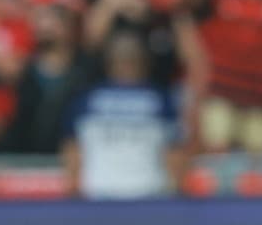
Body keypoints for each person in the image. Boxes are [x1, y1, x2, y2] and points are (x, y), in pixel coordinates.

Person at [61, 25, 182, 199]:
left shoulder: (161, 99)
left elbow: (174, 151)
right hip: (109, 195)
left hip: (141, 194)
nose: (126, 62)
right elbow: (73, 148)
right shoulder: (86, 99)